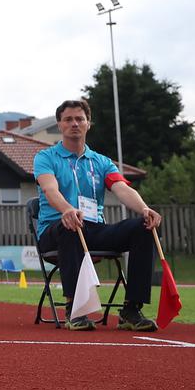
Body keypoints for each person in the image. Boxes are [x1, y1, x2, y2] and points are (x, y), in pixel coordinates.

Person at [34, 98, 163, 331]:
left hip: (94, 228)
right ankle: (75, 309)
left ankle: (131, 309)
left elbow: (122, 188)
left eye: (79, 119)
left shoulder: (102, 162)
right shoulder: (45, 158)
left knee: (145, 227)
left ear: (88, 124)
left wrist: (144, 208)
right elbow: (49, 189)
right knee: (72, 226)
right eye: (68, 119)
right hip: (57, 229)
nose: (74, 123)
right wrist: (67, 210)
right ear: (59, 125)